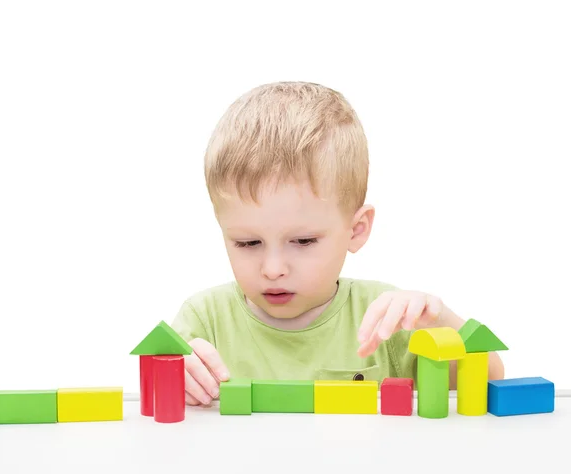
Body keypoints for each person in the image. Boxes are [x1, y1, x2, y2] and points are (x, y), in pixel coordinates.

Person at [171, 81, 505, 407]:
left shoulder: (385, 318)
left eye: (303, 241)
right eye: (247, 242)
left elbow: (488, 385)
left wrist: (440, 321)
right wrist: (174, 379)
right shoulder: (204, 320)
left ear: (356, 230)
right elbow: (161, 415)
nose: (273, 269)